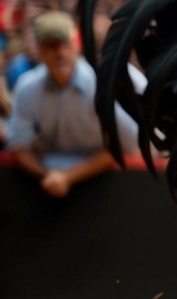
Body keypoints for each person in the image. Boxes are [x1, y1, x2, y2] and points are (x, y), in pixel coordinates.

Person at [6, 10, 139, 198]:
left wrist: (68, 176)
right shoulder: (27, 87)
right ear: (40, 51)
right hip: (48, 185)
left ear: (76, 45)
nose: (60, 52)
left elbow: (124, 147)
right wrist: (50, 176)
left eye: (65, 44)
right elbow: (19, 148)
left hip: (107, 185)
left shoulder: (103, 82)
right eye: (51, 45)